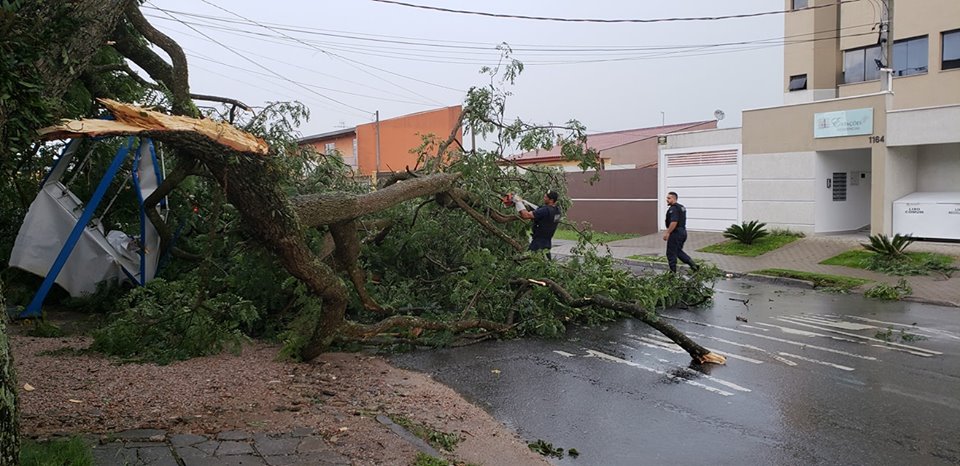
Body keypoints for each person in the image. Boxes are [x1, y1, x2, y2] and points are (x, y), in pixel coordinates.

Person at [516, 190, 562, 258]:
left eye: (546, 197)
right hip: (547, 242)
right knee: (546, 263)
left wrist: (518, 202)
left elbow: (526, 215)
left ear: (551, 200)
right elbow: (538, 209)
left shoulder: (545, 210)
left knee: (527, 260)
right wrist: (524, 202)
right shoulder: (557, 211)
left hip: (538, 243)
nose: (544, 198)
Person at [662, 191, 699, 273]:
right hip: (682, 232)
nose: (667, 200)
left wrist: (668, 232)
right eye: (667, 198)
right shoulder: (681, 207)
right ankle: (694, 266)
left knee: (671, 253)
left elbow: (674, 222)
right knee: (678, 251)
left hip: (676, 233)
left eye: (669, 198)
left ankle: (672, 273)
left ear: (674, 199)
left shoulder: (674, 209)